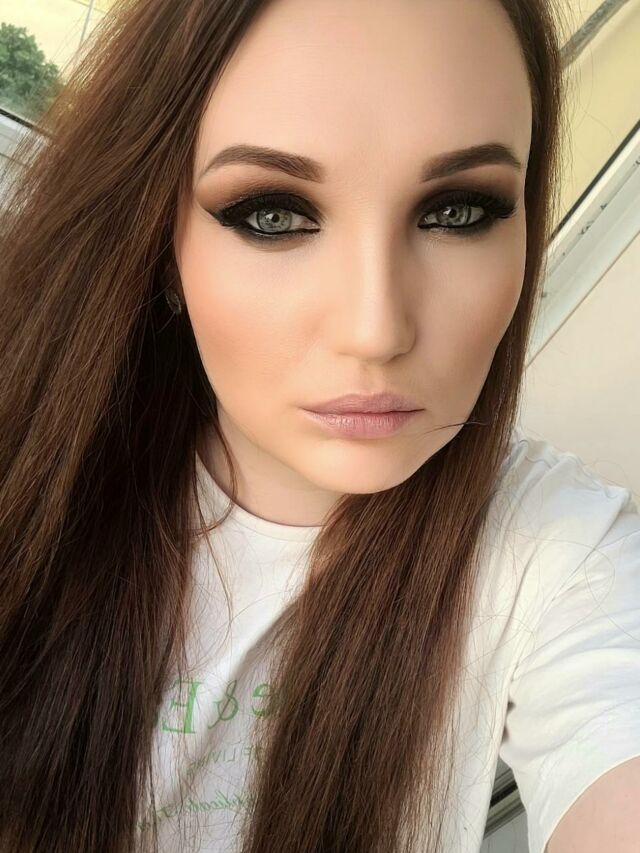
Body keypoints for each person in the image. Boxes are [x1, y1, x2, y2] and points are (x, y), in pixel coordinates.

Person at [1, 0, 639, 851]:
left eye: (458, 212)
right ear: (161, 240)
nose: (376, 329)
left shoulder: (560, 554)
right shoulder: (27, 464)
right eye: (271, 213)